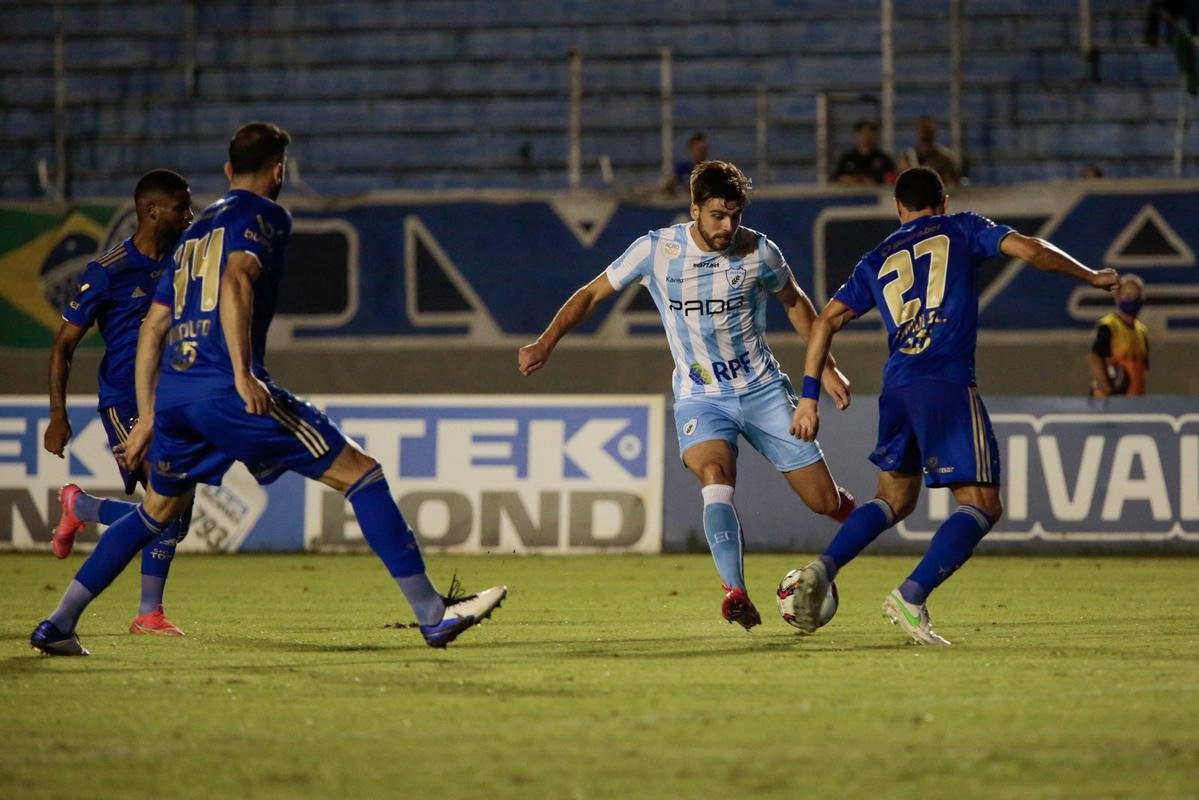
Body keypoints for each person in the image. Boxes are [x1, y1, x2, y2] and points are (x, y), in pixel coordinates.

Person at [30, 123, 506, 656]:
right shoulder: (265, 215)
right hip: (223, 391)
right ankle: (432, 614)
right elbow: (237, 279)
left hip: (176, 399)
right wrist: (242, 374)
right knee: (361, 474)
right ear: (279, 170)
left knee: (155, 515)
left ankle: (59, 622)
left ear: (229, 170)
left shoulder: (192, 233)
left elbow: (152, 328)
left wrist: (147, 417)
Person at [519, 160, 856, 630]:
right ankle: (735, 591)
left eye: (735, 215)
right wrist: (546, 341)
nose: (728, 226)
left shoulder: (760, 251)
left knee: (823, 501)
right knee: (715, 475)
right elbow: (592, 295)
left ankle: (866, 521)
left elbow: (796, 302)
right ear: (694, 208)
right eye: (718, 215)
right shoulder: (656, 250)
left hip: (763, 391)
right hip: (702, 397)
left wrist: (830, 368)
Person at [789, 167, 1117, 645]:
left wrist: (810, 395)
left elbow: (824, 321)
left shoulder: (877, 257)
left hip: (897, 387)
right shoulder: (962, 227)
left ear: (899, 208)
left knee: (893, 498)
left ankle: (824, 567)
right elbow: (1031, 250)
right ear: (942, 202)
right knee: (982, 504)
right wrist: (1090, 275)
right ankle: (912, 594)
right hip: (944, 381)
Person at [45, 169, 195, 636]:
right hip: (125, 398)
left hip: (175, 397)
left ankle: (84, 508)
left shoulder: (184, 261)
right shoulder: (108, 271)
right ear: (152, 211)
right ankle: (149, 613)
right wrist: (58, 415)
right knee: (164, 504)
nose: (189, 215)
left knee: (176, 516)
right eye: (181, 207)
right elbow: (64, 346)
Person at [1089, 274, 1149, 397]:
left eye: (1136, 296)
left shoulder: (1142, 331)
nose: (1132, 300)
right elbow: (1095, 358)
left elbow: (1142, 370)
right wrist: (1107, 390)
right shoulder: (1108, 326)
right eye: (1127, 296)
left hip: (1134, 402)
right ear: (1118, 298)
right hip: (1110, 403)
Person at [899, 117, 962, 186]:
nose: (925, 134)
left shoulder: (945, 158)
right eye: (922, 130)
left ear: (933, 132)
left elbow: (953, 183)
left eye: (928, 131)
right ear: (917, 132)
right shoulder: (908, 157)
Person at [831, 121, 897, 185]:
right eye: (863, 134)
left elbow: (892, 179)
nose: (867, 138)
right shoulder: (847, 158)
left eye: (870, 135)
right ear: (856, 136)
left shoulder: (884, 159)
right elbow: (834, 178)